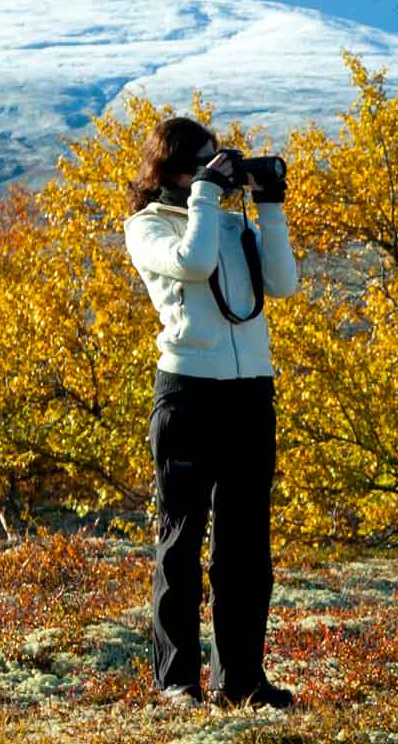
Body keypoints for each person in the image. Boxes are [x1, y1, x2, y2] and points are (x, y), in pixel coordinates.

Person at [124, 119, 299, 708]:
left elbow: (284, 283)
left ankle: (243, 680)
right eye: (203, 160)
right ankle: (177, 682)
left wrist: (267, 208)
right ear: (170, 168)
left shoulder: (227, 222)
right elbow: (193, 265)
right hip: (188, 392)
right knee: (181, 542)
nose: (218, 168)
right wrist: (204, 192)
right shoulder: (146, 226)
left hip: (250, 391)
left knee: (245, 547)